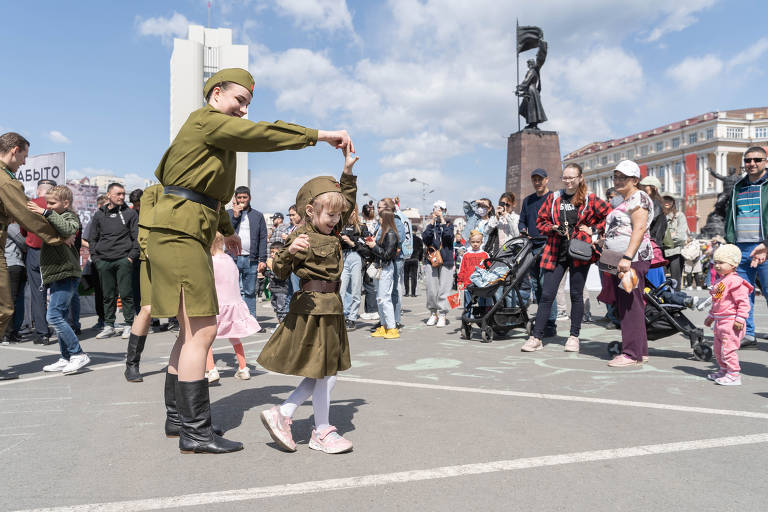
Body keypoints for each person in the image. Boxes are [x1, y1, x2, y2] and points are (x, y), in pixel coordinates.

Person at [147, 67, 354, 454]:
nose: (244, 110)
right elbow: (264, 134)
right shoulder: (207, 121)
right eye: (239, 100)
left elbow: (205, 191)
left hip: (183, 228)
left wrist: (224, 226)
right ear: (215, 94)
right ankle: (195, 432)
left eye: (248, 104)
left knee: (189, 331)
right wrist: (320, 135)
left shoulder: (211, 138)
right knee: (203, 331)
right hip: (182, 232)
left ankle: (179, 421)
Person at [258, 147, 358, 454]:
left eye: (339, 214)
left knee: (326, 372)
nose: (336, 219)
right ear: (311, 212)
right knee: (323, 372)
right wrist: (290, 251)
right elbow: (278, 269)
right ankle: (318, 428)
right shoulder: (300, 234)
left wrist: (348, 171)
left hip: (331, 307)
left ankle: (291, 416)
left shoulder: (331, 229)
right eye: (331, 214)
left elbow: (348, 201)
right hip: (312, 308)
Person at [0, 133, 69, 380]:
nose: (25, 162)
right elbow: (26, 214)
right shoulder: (6, 181)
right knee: (4, 308)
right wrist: (59, 236)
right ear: (15, 150)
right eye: (24, 156)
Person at [522, 163, 610, 353]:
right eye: (565, 177)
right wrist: (551, 228)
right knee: (546, 294)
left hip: (580, 250)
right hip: (555, 249)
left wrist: (593, 230)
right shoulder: (555, 197)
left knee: (576, 294)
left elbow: (610, 216)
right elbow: (540, 221)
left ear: (580, 178)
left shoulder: (590, 199)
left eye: (572, 177)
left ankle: (573, 336)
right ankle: (537, 336)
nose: (568, 181)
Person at [27, 186, 90, 375]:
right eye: (48, 203)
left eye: (53, 203)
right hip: (57, 274)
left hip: (66, 273)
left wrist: (46, 212)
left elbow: (68, 228)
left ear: (66, 203)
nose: (49, 206)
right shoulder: (53, 217)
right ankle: (66, 357)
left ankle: (78, 353)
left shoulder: (70, 217)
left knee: (53, 316)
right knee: (59, 316)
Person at [603, 160, 654, 367]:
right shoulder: (624, 199)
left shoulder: (639, 197)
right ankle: (639, 350)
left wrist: (627, 257)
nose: (617, 180)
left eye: (622, 177)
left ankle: (631, 353)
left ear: (635, 180)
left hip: (631, 258)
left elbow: (640, 228)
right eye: (615, 176)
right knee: (628, 303)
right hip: (619, 258)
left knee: (630, 304)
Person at [723, 146, 768, 348]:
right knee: (741, 293)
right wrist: (729, 241)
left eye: (757, 159)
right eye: (748, 160)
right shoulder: (738, 186)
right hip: (740, 248)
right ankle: (747, 334)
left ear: (765, 161)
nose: (752, 164)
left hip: (765, 246)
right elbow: (731, 216)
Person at [205, 232, 261, 384]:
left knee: (206, 338)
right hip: (233, 303)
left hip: (217, 304)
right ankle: (243, 368)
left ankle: (211, 369)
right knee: (235, 337)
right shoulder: (230, 260)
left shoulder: (211, 261)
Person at [87, 182, 139, 339]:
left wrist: (130, 257)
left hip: (124, 259)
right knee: (107, 295)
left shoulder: (130, 214)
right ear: (109, 195)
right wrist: (96, 259)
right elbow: (93, 238)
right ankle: (109, 325)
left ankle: (129, 325)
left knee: (126, 294)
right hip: (104, 261)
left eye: (123, 194)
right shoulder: (99, 214)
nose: (122, 197)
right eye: (118, 194)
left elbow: (136, 237)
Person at [123, 183, 162, 383]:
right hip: (152, 257)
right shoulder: (154, 192)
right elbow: (144, 229)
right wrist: (149, 253)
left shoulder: (190, 190)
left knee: (186, 312)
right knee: (147, 309)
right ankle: (132, 363)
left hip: (182, 257)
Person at [704, 244, 753, 386]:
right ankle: (724, 370)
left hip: (731, 322)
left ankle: (734, 374)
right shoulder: (720, 281)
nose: (717, 266)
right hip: (720, 322)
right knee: (718, 350)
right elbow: (717, 301)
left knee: (728, 350)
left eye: (721, 263)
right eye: (716, 262)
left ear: (732, 264)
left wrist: (741, 318)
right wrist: (711, 316)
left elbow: (743, 302)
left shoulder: (736, 282)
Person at [518, 168, 557, 335]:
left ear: (547, 180)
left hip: (549, 245)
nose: (537, 182)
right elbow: (521, 221)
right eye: (534, 179)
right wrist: (523, 229)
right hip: (532, 247)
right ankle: (543, 318)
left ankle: (550, 322)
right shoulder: (528, 201)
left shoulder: (555, 198)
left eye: (540, 179)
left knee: (546, 285)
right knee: (535, 285)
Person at [227, 186, 268, 319]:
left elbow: (263, 238)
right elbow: (225, 232)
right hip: (233, 258)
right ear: (235, 198)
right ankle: (236, 319)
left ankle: (251, 319)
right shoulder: (228, 214)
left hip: (251, 259)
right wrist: (235, 216)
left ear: (249, 198)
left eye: (245, 197)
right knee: (233, 291)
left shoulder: (258, 215)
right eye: (239, 197)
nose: (242, 200)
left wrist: (263, 259)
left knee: (250, 291)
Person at [23, 179, 56, 344]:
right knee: (60, 291)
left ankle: (42, 333)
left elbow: (23, 229)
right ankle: (68, 327)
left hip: (35, 252)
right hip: (55, 252)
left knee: (38, 294)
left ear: (38, 191)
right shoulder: (55, 205)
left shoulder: (30, 204)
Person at [368, 210, 400, 339]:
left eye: (380, 218)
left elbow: (388, 255)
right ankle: (384, 325)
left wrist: (374, 246)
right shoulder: (383, 232)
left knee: (384, 298)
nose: (378, 220)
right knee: (380, 299)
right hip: (381, 267)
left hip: (385, 268)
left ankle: (392, 328)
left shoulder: (391, 234)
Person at [422, 200, 455, 327]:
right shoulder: (430, 225)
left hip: (446, 260)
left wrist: (442, 220)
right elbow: (426, 238)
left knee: (444, 289)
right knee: (431, 288)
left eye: (441, 209)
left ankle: (442, 314)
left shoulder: (449, 225)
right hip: (431, 260)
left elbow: (448, 237)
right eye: (436, 209)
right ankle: (433, 313)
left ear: (445, 211)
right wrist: (431, 222)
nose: (438, 211)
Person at [339, 207, 369, 330]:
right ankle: (343, 315)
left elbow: (366, 243)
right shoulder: (340, 226)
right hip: (343, 256)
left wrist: (352, 242)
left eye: (351, 210)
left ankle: (352, 318)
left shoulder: (361, 226)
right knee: (341, 289)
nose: (349, 213)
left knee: (356, 288)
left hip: (356, 256)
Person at [457, 230, 490, 316]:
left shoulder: (485, 255)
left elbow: (489, 269)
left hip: (481, 286)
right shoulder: (466, 255)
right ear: (469, 242)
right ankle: (467, 322)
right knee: (468, 304)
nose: (475, 244)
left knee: (482, 304)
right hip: (468, 284)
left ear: (481, 242)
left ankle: (483, 320)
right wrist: (460, 282)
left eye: (477, 242)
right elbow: (462, 269)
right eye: (473, 242)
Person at [3, 223, 26, 344]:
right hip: (13, 263)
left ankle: (8, 333)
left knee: (8, 300)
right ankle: (9, 333)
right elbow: (24, 242)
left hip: (7, 264)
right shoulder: (10, 226)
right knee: (13, 300)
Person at [661, 195, 688, 291]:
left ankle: (675, 301)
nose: (667, 201)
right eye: (664, 199)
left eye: (669, 199)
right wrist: (670, 236)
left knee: (676, 280)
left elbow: (681, 237)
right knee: (660, 279)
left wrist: (664, 240)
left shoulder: (679, 216)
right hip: (660, 252)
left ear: (673, 202)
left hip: (675, 252)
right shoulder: (658, 216)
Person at [359, 202, 379, 320]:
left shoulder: (363, 224)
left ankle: (372, 310)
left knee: (369, 283)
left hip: (367, 254)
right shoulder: (376, 223)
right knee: (371, 283)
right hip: (374, 254)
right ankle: (370, 309)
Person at [266, 242, 291, 323]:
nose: (272, 255)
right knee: (276, 308)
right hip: (273, 290)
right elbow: (269, 275)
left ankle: (283, 326)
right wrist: (263, 271)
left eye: (274, 252)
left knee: (282, 310)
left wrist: (271, 268)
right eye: (271, 252)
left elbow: (280, 277)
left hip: (281, 291)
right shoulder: (272, 262)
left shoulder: (282, 264)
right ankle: (280, 324)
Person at [403, 230, 423, 297]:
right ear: (416, 231)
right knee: (414, 276)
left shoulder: (407, 239)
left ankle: (406, 292)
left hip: (407, 258)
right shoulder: (419, 240)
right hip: (415, 258)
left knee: (406, 276)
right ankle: (413, 293)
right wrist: (420, 259)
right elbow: (421, 250)